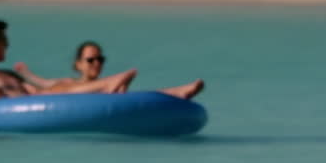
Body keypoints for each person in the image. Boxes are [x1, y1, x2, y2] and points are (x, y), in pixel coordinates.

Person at [0, 19, 141, 102]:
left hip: (38, 102)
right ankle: (107, 85)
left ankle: (108, 89)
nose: (7, 44)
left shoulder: (6, 74)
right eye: (3, 40)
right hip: (24, 110)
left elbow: (35, 89)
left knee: (62, 87)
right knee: (61, 89)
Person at [13, 40, 205, 100]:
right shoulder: (67, 82)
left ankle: (176, 92)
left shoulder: (107, 87)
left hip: (105, 94)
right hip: (65, 99)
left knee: (136, 96)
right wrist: (26, 74)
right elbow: (43, 83)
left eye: (100, 59)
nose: (96, 63)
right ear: (78, 64)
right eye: (90, 60)